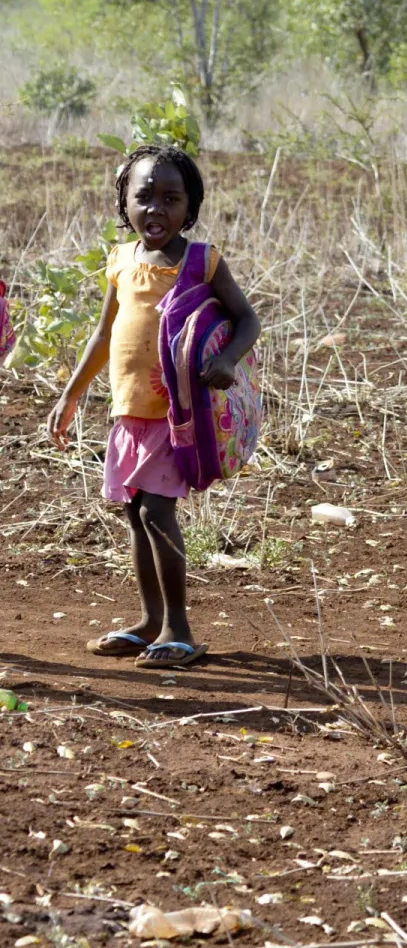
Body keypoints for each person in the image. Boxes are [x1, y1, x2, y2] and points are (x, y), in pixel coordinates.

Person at [47, 145, 260, 670]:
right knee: (135, 516)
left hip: (177, 417)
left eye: (171, 199)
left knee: (156, 511)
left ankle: (179, 630)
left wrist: (229, 359)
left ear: (191, 206)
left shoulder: (201, 261)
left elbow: (247, 319)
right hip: (130, 415)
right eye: (144, 197)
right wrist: (71, 394)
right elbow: (103, 335)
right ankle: (149, 622)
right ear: (124, 204)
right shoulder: (121, 260)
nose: (156, 210)